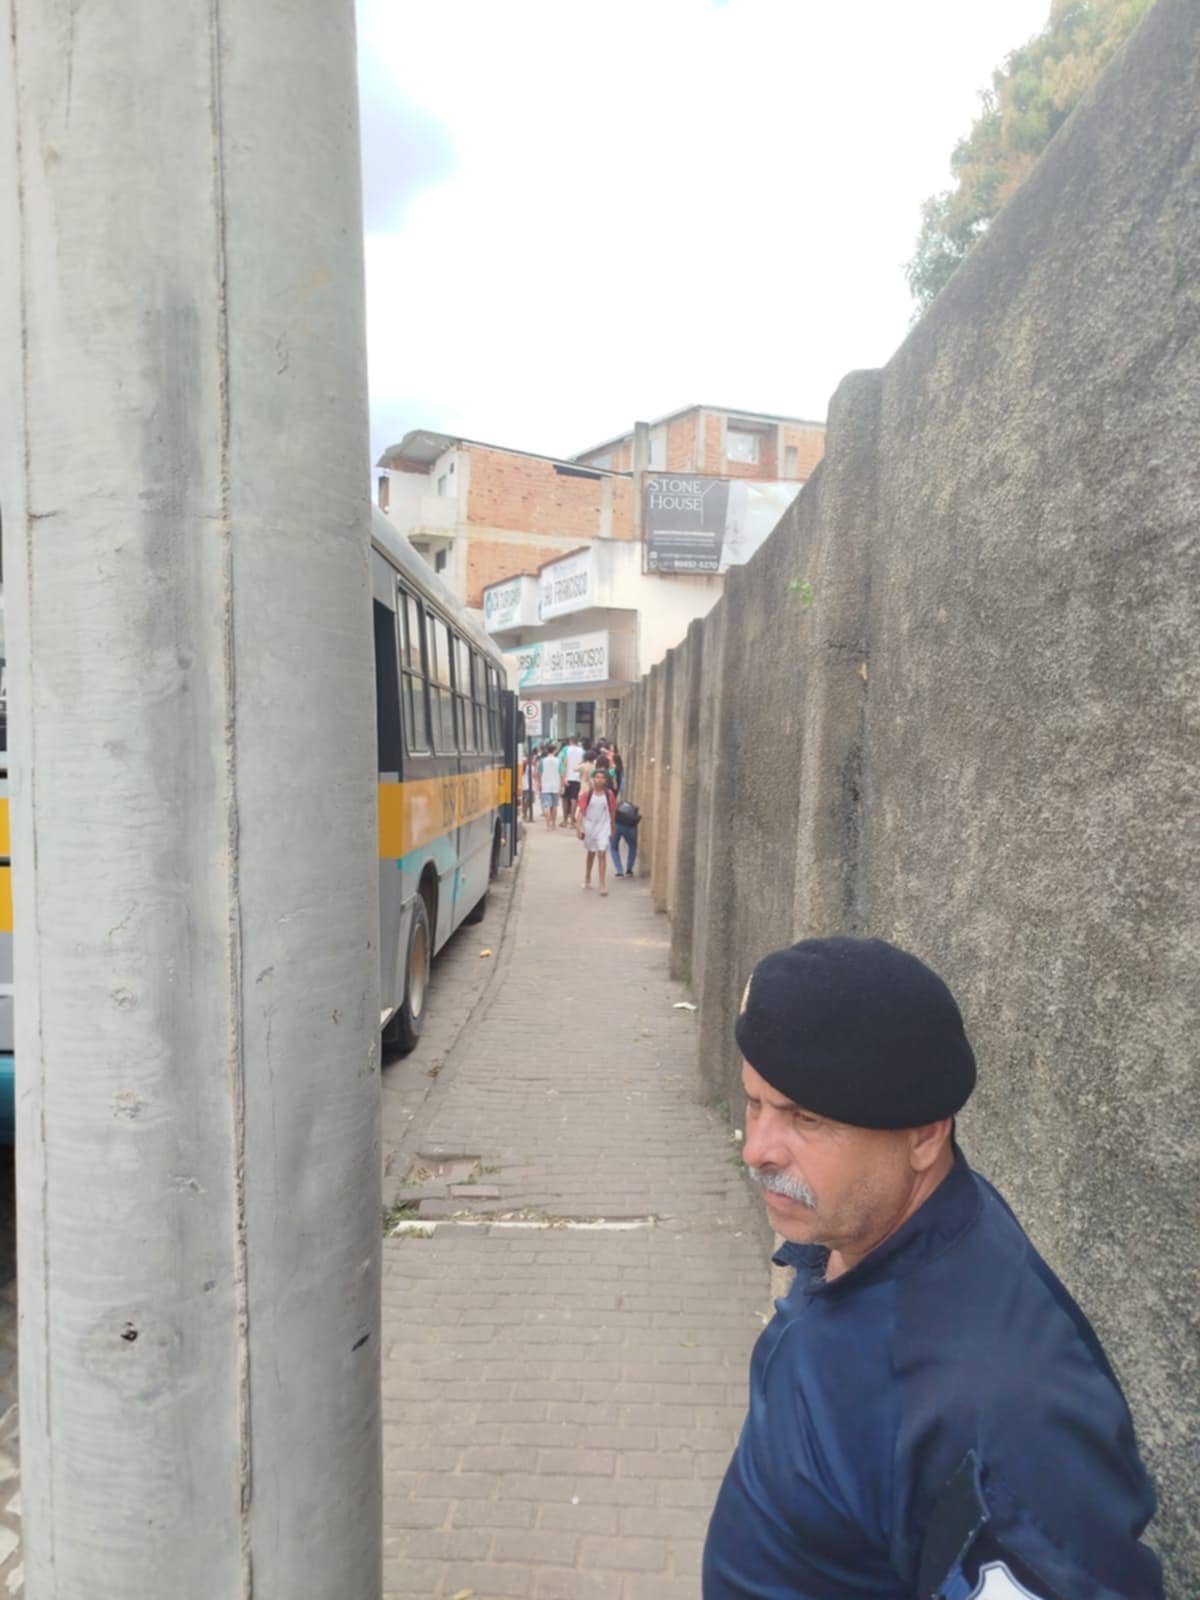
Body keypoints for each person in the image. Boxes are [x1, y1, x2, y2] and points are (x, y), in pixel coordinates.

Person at [704, 936, 1163, 1600]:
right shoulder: (859, 1225)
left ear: (923, 1135)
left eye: (806, 1118)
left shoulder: (1001, 1416)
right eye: (755, 1103)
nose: (757, 1150)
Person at [576, 764, 616, 893]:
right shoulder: (587, 795)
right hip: (589, 827)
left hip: (603, 826)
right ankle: (587, 876)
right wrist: (579, 828)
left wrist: (612, 827)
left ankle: (602, 884)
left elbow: (612, 812)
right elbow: (581, 812)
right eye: (597, 777)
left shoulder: (609, 795)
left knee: (602, 852)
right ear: (593, 779)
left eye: (602, 778)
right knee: (591, 853)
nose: (599, 780)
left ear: (605, 780)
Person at [609, 794, 640, 878]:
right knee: (633, 847)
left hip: (617, 826)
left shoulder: (617, 806)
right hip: (630, 827)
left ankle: (619, 871)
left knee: (613, 848)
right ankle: (629, 870)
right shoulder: (633, 809)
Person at [558, 733, 584, 826]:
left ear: (570, 741)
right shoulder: (582, 750)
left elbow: (562, 763)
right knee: (574, 799)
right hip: (577, 778)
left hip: (567, 777)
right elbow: (582, 763)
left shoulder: (566, 749)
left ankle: (565, 820)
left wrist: (563, 778)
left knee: (565, 799)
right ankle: (572, 820)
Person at [537, 742, 561, 832]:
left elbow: (539, 773)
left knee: (546, 806)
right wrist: (562, 785)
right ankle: (554, 824)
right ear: (555, 751)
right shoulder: (558, 761)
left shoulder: (542, 761)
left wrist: (539, 784)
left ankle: (548, 826)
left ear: (547, 751)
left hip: (545, 786)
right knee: (554, 806)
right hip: (556, 786)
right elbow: (562, 773)